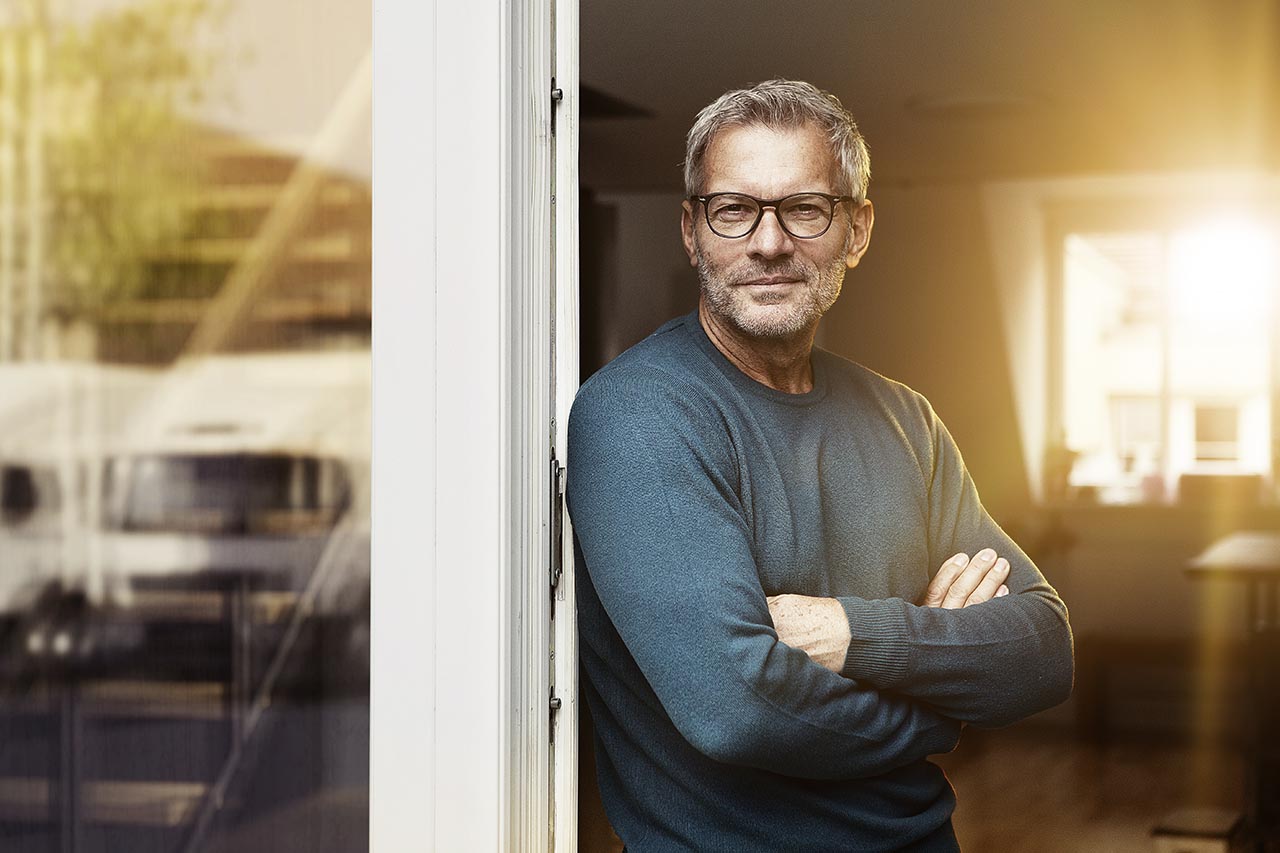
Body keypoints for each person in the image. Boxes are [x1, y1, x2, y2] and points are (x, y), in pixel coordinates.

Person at [566, 79, 1073, 852]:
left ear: (857, 229)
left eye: (804, 208)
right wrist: (940, 703)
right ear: (692, 231)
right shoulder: (639, 415)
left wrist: (850, 633)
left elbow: (1042, 649)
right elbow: (737, 706)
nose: (768, 243)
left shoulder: (907, 420)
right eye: (733, 210)